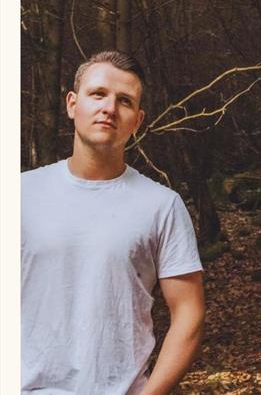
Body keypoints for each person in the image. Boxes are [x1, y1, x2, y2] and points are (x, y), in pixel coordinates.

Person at [21, 51, 205, 395]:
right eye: (98, 94)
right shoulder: (18, 193)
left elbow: (189, 313)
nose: (109, 108)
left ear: (137, 119)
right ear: (72, 104)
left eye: (124, 101)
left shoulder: (162, 206)